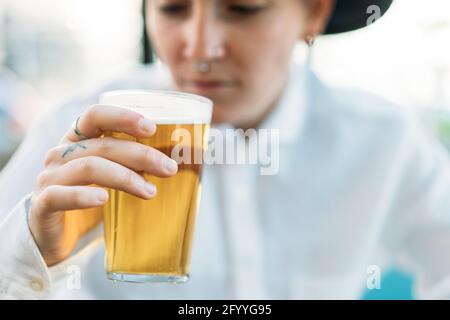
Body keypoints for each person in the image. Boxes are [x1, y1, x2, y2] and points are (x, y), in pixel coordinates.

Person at [1, 0, 450, 300]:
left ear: (314, 13)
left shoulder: (384, 142)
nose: (199, 48)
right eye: (173, 7)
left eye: (242, 8)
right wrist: (31, 257)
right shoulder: (79, 134)